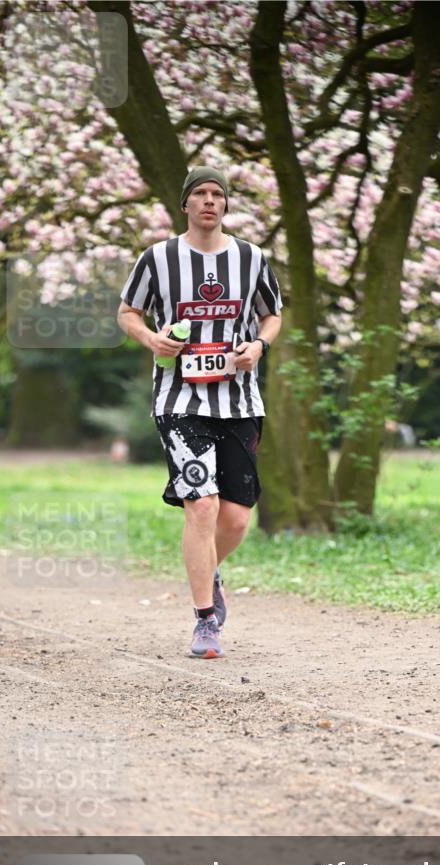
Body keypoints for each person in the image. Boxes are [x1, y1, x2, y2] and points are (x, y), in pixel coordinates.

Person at [117, 166, 282, 659]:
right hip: (178, 398)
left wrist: (257, 344)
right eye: (200, 194)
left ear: (225, 205)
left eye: (217, 194)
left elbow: (272, 314)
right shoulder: (158, 258)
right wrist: (152, 338)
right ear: (185, 204)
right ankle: (205, 621)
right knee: (202, 505)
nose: (209, 201)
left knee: (234, 520)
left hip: (239, 400)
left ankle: (207, 570)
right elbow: (128, 312)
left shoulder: (251, 258)